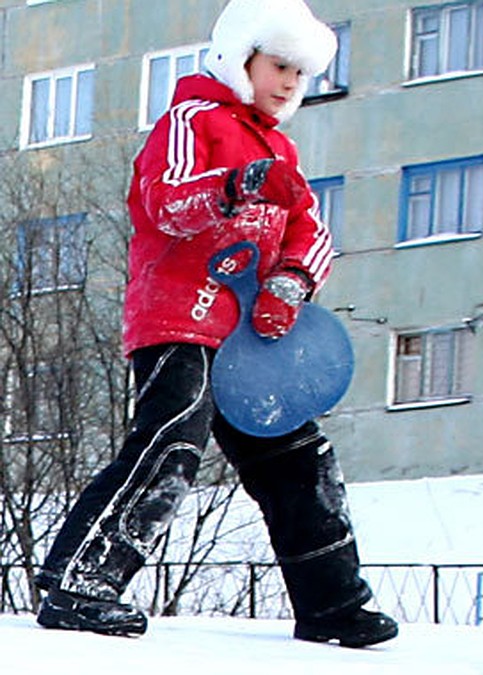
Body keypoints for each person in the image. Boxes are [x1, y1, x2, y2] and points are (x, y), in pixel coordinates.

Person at [34, 0, 398, 649]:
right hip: (180, 319)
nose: (289, 82)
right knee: (172, 440)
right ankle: (80, 581)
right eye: (278, 65)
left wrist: (289, 283)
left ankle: (333, 603)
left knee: (298, 457)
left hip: (254, 340)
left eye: (300, 73)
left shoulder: (280, 148)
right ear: (241, 57)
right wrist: (239, 184)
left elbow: (311, 233)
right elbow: (167, 203)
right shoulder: (190, 120)